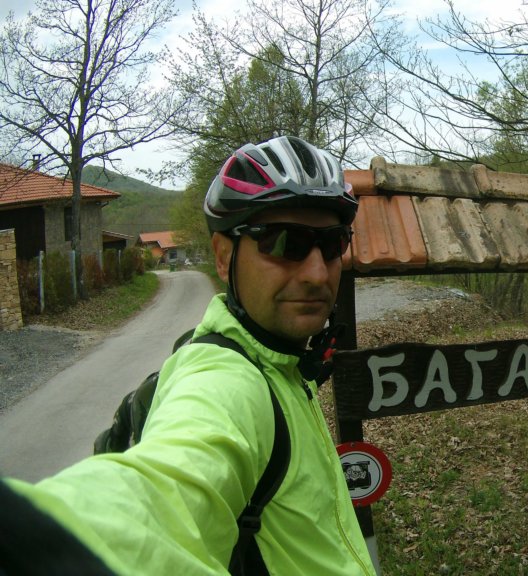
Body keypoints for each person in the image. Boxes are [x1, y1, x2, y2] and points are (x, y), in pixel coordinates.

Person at [2, 136, 375, 575]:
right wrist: (37, 546)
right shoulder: (225, 381)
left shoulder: (286, 364)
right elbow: (165, 495)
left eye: (332, 244)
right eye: (283, 243)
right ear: (223, 256)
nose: (316, 272)